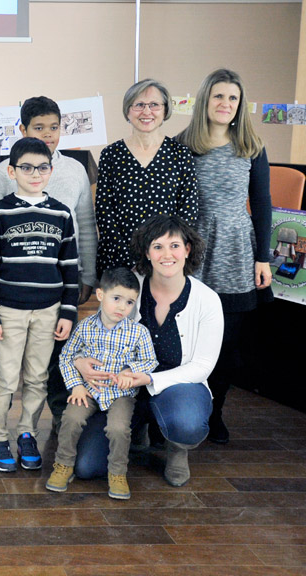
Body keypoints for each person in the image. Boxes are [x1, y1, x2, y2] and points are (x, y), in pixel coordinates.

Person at [0, 95, 98, 437]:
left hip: (54, 290)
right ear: (22, 129)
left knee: (46, 365)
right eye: (38, 127)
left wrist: (84, 277)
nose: (48, 134)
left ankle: (50, 418)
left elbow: (84, 228)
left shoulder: (73, 171)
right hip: (10, 296)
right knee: (5, 365)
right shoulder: (3, 173)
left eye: (54, 127)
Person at [72, 215, 220, 488]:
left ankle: (177, 449)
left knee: (186, 422)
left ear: (187, 250)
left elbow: (202, 366)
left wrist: (150, 378)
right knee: (86, 466)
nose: (167, 255)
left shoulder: (207, 300)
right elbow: (94, 333)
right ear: (147, 252)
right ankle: (135, 428)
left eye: (175, 246)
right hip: (124, 387)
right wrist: (80, 360)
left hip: (178, 387)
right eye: (158, 246)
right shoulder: (130, 287)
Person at [176, 68, 272, 444]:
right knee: (188, 337)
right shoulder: (184, 144)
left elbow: (262, 203)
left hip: (236, 251)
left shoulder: (252, 145)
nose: (225, 104)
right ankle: (186, 411)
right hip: (193, 250)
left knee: (227, 344)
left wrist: (261, 258)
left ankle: (214, 413)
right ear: (205, 100)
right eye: (219, 96)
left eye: (232, 98)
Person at [0, 137, 78, 473]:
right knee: (5, 379)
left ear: (50, 171)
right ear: (12, 171)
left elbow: (70, 269)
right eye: (26, 167)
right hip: (9, 310)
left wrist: (68, 311)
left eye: (42, 167)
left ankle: (26, 433)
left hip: (49, 311)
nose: (35, 174)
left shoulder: (62, 214)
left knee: (36, 378)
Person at [47, 268, 158, 500]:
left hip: (121, 394)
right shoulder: (85, 327)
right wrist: (76, 385)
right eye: (116, 299)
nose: (122, 307)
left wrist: (131, 371)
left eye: (129, 302)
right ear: (100, 295)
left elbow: (150, 360)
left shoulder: (138, 332)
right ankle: (63, 465)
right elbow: (66, 356)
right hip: (88, 390)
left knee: (118, 428)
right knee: (71, 418)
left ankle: (117, 473)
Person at [95, 79, 198, 278]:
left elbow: (188, 211)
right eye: (139, 105)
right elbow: (104, 212)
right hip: (119, 262)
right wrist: (132, 259)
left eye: (154, 105)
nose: (147, 111)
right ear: (128, 111)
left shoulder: (180, 154)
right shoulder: (111, 154)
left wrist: (160, 255)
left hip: (166, 262)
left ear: (165, 110)